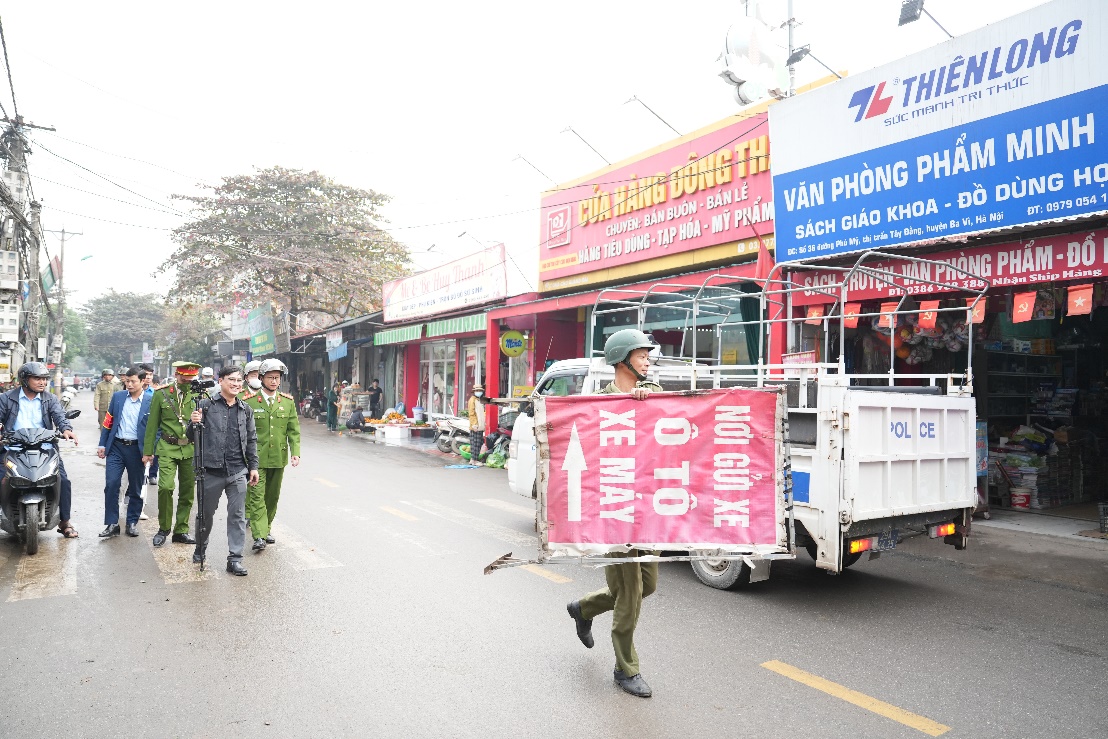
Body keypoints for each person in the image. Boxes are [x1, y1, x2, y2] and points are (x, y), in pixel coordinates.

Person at [566, 329, 662, 699]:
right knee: (631, 591)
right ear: (622, 361)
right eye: (641, 356)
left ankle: (583, 607)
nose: (647, 361)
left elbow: (676, 419)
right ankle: (626, 668)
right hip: (613, 509)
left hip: (647, 507)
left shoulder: (653, 394)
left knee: (647, 585)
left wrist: (645, 400)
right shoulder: (597, 403)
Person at [187, 366, 259, 576]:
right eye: (232, 380)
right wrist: (193, 423)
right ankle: (200, 547)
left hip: (237, 470)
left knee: (237, 515)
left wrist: (253, 466)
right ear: (221, 381)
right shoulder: (205, 405)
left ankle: (235, 559)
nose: (236, 384)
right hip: (210, 470)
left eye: (239, 380)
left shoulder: (246, 409)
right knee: (205, 515)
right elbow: (191, 436)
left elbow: (252, 440)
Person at [0, 362, 80, 538]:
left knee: (64, 481)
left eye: (44, 378)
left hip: (44, 448)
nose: (42, 382)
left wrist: (66, 429)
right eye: (37, 378)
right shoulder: (6, 398)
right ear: (24, 380)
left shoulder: (50, 399)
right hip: (13, 449)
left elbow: (59, 416)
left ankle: (65, 521)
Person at [142, 361, 203, 548]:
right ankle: (164, 528)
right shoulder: (162, 394)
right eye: (184, 378)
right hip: (167, 447)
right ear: (177, 375)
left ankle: (181, 530)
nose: (188, 381)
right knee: (166, 487)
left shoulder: (199, 394)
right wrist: (148, 453)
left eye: (191, 378)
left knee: (187, 492)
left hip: (191, 448)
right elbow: (152, 425)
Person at [242, 358, 300, 551]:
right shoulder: (249, 402)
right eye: (270, 377)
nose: (274, 381)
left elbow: (293, 430)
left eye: (277, 378)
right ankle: (259, 536)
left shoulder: (287, 402)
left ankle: (266, 529)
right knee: (257, 496)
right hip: (256, 460)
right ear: (261, 378)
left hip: (278, 457)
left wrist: (295, 453)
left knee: (272, 497)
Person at [96, 367, 151, 537]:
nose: (129, 384)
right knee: (112, 484)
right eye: (127, 381)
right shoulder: (118, 397)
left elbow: (156, 429)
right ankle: (112, 523)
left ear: (142, 381)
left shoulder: (151, 400)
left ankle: (132, 522)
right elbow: (108, 421)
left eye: (133, 381)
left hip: (137, 450)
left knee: (135, 487)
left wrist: (150, 451)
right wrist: (102, 444)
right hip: (116, 447)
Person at [466, 384, 487, 465]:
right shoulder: (473, 400)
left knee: (478, 443)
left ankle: (473, 459)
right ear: (474, 391)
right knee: (475, 443)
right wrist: (474, 424)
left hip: (480, 426)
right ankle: (474, 460)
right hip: (476, 426)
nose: (479, 392)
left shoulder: (479, 400)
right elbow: (472, 413)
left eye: (480, 391)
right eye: (477, 391)